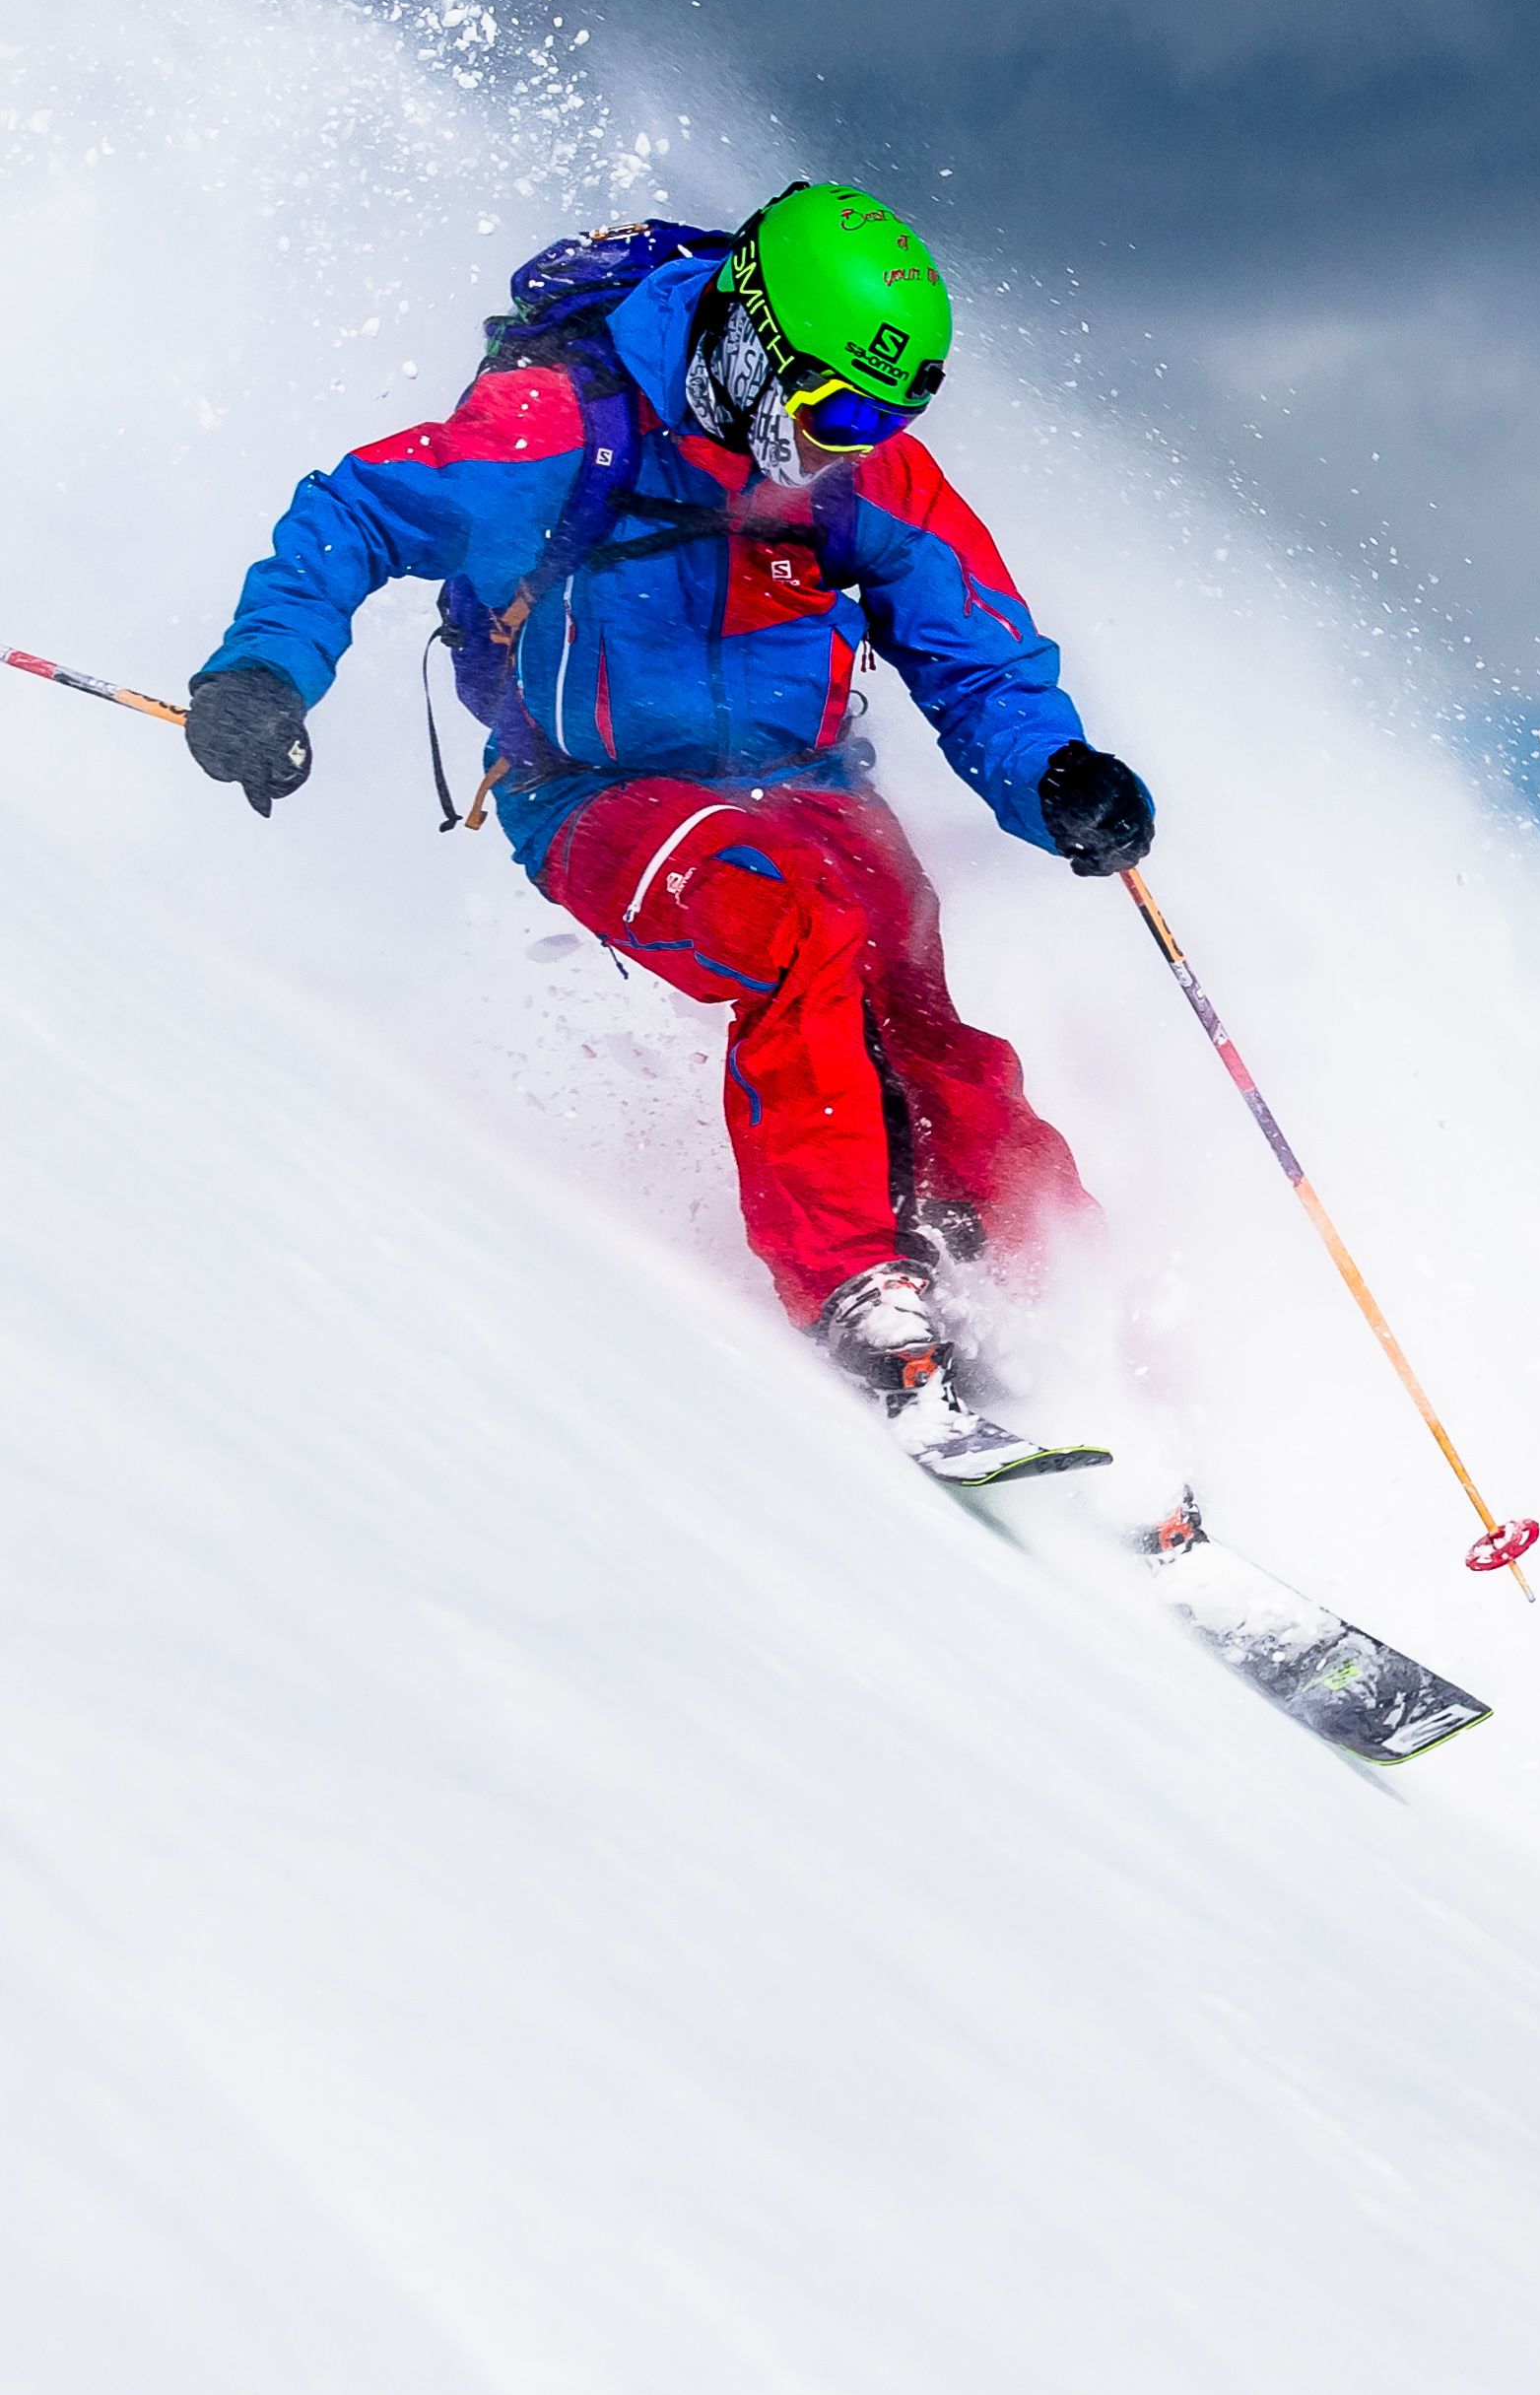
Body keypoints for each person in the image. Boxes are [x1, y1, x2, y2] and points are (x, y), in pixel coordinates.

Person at [181, 181, 1152, 1485]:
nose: (845, 447)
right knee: (794, 927)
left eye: (883, 420)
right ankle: (859, 1283)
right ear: (752, 347)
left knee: (903, 971)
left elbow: (972, 651)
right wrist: (265, 671)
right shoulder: (557, 429)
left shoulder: (856, 479)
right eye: (832, 409)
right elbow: (357, 512)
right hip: (594, 793)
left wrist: (1057, 779)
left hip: (801, 779)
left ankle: (1055, 1289)